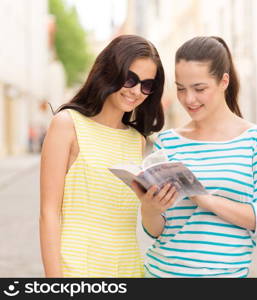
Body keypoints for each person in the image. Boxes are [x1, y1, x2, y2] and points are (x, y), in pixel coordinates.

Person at [131, 36, 257, 278]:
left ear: (224, 81)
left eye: (199, 89)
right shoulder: (168, 141)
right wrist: (149, 208)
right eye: (181, 88)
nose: (189, 99)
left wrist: (205, 199)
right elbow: (156, 231)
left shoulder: (256, 140)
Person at [39, 35, 174, 277]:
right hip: (77, 272)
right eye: (130, 79)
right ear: (110, 70)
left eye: (146, 85)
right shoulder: (67, 125)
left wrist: (154, 205)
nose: (136, 91)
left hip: (129, 271)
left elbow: (140, 221)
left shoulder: (138, 140)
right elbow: (48, 214)